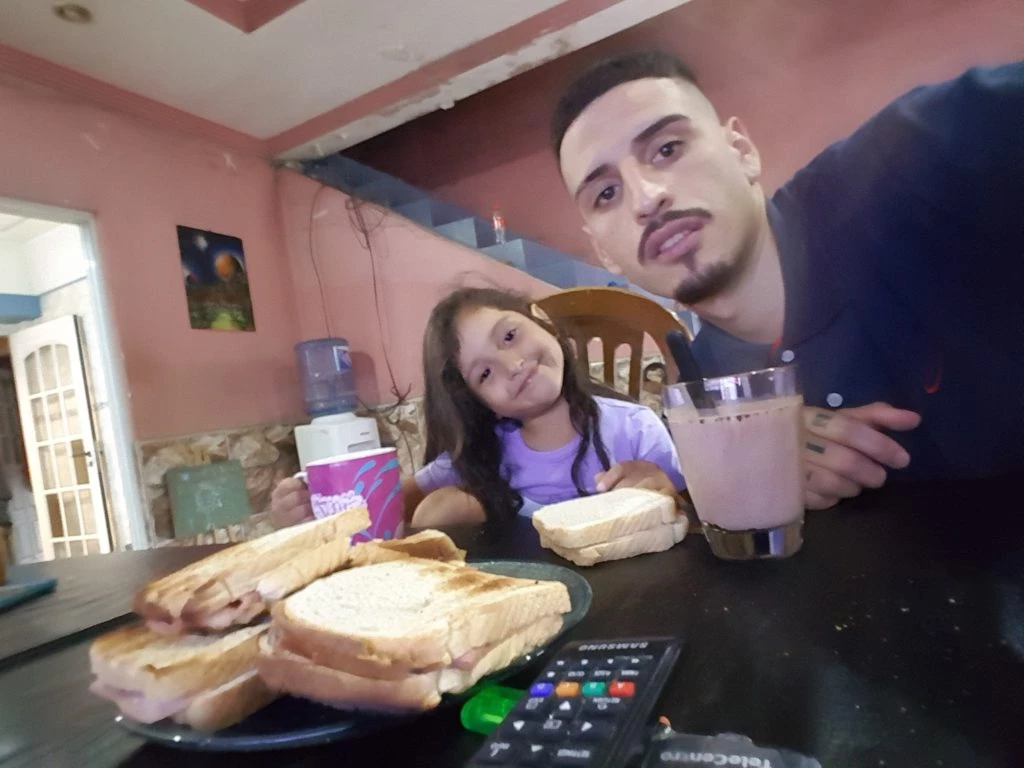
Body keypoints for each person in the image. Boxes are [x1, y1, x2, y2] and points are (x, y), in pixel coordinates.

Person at [551, 51, 1024, 509]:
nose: (645, 198)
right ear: (603, 253)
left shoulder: (907, 168)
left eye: (667, 149)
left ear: (742, 152)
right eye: (606, 193)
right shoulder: (707, 390)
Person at [271, 287, 686, 529]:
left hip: (633, 599)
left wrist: (665, 490)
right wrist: (315, 508)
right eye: (484, 374)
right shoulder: (486, 453)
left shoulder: (635, 428)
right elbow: (389, 504)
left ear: (541, 320)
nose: (512, 365)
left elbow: (692, 517)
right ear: (480, 401)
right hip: (522, 603)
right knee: (445, 507)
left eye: (509, 336)